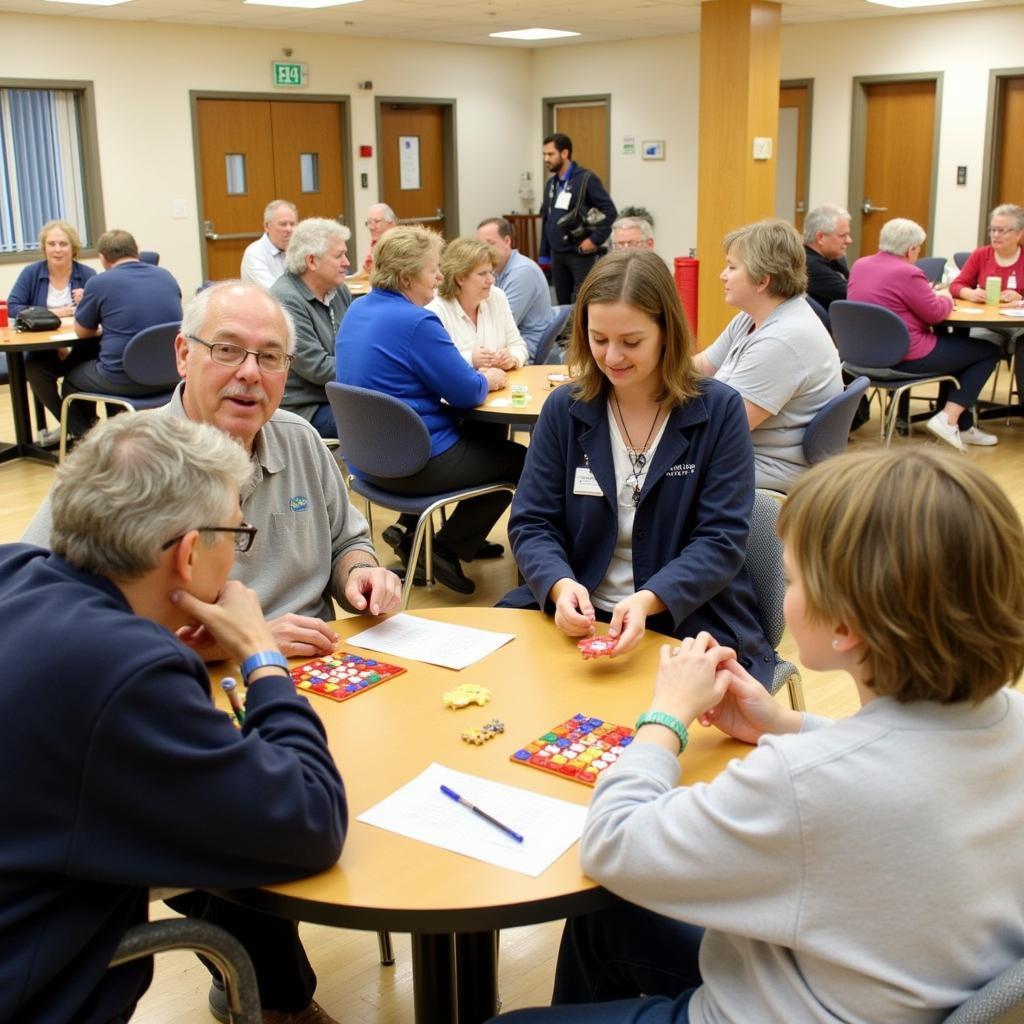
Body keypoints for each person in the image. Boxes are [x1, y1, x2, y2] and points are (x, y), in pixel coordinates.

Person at [492, 445, 1024, 1024]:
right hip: (888, 979)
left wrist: (665, 719)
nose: (785, 591)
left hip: (784, 1006)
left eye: (792, 580)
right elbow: (902, 764)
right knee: (610, 918)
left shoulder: (804, 785)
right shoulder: (1007, 717)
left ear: (843, 625)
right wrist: (787, 723)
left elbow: (612, 842)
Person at [1, 411, 347, 1023]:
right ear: (189, 554)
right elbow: (311, 820)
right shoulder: (126, 671)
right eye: (238, 536)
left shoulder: (14, 572)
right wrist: (261, 656)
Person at [23, 280, 402, 658]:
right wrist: (234, 643)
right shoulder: (125, 460)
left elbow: (346, 543)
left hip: (321, 669)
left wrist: (360, 573)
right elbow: (36, 605)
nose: (251, 373)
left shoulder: (300, 439)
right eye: (227, 350)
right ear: (183, 354)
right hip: (185, 684)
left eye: (270, 357)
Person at [500, 250, 775, 685]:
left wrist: (649, 600)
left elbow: (721, 540)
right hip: (577, 615)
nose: (612, 357)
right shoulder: (564, 409)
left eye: (631, 342)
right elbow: (532, 522)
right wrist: (558, 584)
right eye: (598, 339)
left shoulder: (718, 411)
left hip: (686, 617)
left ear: (666, 332)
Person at [337, 226, 527, 596]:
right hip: (415, 462)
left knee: (488, 437)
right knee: (518, 461)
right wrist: (489, 377)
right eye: (432, 269)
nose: (439, 277)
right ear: (408, 277)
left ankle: (430, 536)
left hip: (367, 461)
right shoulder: (416, 321)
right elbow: (467, 391)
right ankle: (447, 546)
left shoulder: (357, 310)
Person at [692, 220, 842, 493]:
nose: (722, 275)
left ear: (762, 281)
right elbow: (703, 365)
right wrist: (651, 373)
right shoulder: (753, 317)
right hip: (748, 455)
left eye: (732, 267)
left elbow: (721, 428)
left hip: (763, 471)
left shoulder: (781, 341)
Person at [848, 217, 1001, 452]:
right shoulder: (908, 273)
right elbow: (936, 314)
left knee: (962, 351)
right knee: (987, 351)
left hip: (860, 357)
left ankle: (963, 423)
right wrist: (946, 298)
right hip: (905, 356)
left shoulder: (861, 265)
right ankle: (948, 419)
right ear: (911, 249)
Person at [24, 229, 183, 438]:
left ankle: (86, 439)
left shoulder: (100, 282)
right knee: (92, 358)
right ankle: (109, 436)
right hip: (169, 375)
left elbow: (82, 331)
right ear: (136, 252)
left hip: (124, 379)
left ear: (103, 258)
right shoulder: (166, 276)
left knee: (72, 379)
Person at [271, 217, 353, 437]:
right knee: (381, 420)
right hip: (305, 408)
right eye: (338, 256)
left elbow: (357, 343)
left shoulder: (339, 290)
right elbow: (318, 368)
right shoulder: (285, 300)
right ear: (312, 261)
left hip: (339, 394)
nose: (347, 262)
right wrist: (373, 367)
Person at [427, 237, 528, 371]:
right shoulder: (436, 308)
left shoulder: (497, 297)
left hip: (502, 384)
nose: (491, 280)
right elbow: (435, 362)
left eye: (491, 272)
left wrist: (512, 358)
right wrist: (471, 359)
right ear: (460, 278)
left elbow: (518, 346)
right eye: (482, 274)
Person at [539, 133, 617, 304]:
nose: (546, 159)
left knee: (583, 302)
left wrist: (594, 240)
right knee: (563, 305)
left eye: (550, 154)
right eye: (544, 154)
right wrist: (544, 254)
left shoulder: (586, 179)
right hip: (557, 255)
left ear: (565, 153)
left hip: (580, 254)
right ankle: (567, 332)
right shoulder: (551, 184)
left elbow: (610, 211)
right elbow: (547, 219)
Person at [476, 216, 557, 362]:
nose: (484, 251)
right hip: (510, 341)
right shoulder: (496, 270)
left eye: (490, 243)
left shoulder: (522, 272)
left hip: (527, 345)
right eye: (480, 245)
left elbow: (501, 323)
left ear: (507, 241)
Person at [7, 218, 96, 319]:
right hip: (40, 333)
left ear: (73, 248)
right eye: (51, 244)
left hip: (79, 333)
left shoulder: (88, 274)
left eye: (63, 244)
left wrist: (87, 302)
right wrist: (52, 313)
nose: (57, 250)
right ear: (44, 248)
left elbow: (103, 309)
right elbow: (11, 308)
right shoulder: (31, 273)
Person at [950, 203, 1024, 304]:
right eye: (993, 230)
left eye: (1002, 231)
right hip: (984, 316)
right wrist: (970, 294)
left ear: (1019, 234)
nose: (996, 235)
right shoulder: (981, 254)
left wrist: (1021, 299)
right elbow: (955, 286)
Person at [802, 203, 852, 310]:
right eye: (843, 236)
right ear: (820, 237)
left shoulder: (834, 258)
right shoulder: (809, 265)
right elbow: (854, 296)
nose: (849, 241)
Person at [241, 199, 298, 288]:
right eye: (283, 224)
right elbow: (275, 293)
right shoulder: (254, 253)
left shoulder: (299, 249)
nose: (289, 229)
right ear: (267, 226)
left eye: (292, 224)